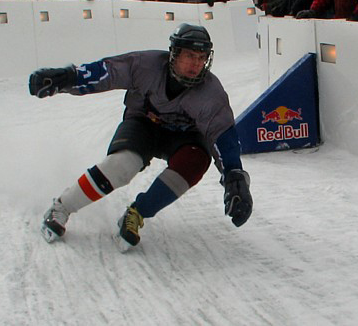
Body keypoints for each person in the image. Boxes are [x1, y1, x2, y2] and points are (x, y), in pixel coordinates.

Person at [30, 23, 252, 250]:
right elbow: (106, 72)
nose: (196, 64)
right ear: (174, 54)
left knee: (195, 162)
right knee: (123, 165)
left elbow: (223, 135)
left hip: (185, 138)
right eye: (190, 55)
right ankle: (62, 207)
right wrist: (67, 78)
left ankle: (137, 213)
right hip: (143, 124)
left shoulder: (211, 93)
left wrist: (234, 176)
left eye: (201, 57)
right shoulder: (146, 65)